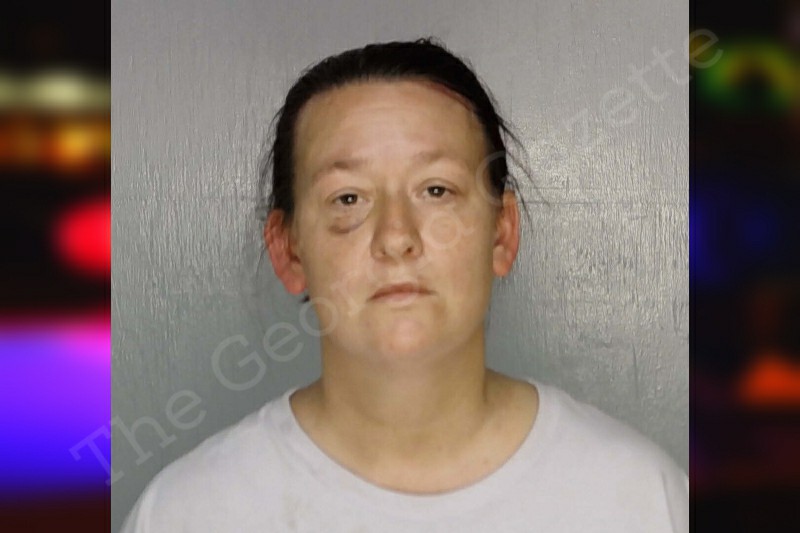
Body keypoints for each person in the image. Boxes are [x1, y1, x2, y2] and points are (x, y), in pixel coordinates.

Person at [121, 38, 688, 532]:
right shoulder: (190, 512)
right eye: (348, 199)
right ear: (288, 250)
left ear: (502, 233)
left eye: (437, 190)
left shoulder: (641, 500)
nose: (396, 238)